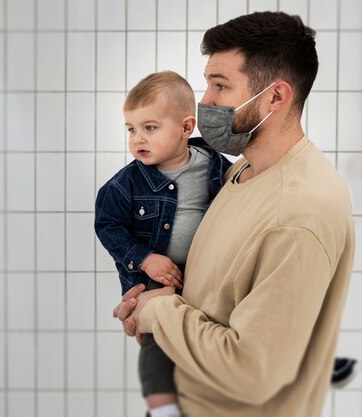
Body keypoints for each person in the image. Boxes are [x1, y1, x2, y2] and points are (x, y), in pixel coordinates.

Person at [112, 11, 355, 417]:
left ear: (276, 97)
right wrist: (148, 304)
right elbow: (213, 292)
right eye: (207, 82)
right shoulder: (241, 169)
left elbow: (252, 373)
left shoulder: (298, 213)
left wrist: (159, 312)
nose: (205, 101)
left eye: (220, 85)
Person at [94, 71, 232, 417]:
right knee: (157, 338)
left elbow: (240, 196)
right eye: (131, 129)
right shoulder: (124, 185)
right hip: (155, 278)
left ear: (186, 128)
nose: (137, 138)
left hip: (203, 275)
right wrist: (144, 258)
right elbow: (108, 225)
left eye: (150, 128)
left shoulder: (215, 166)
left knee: (209, 336)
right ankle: (162, 408)